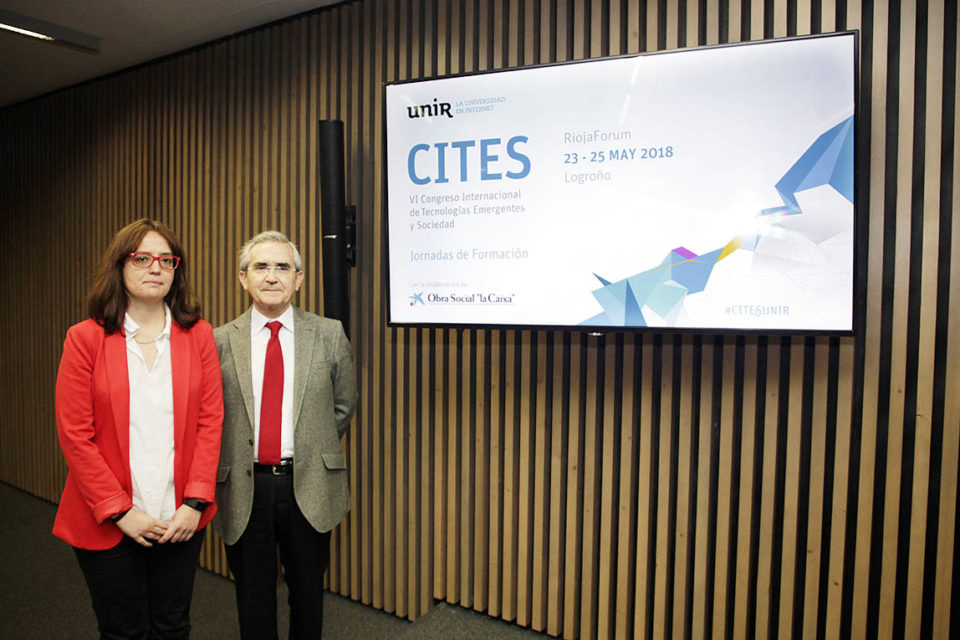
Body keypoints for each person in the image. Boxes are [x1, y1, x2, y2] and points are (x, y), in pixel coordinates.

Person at [54, 219, 224, 639]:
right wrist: (119, 510)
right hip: (110, 520)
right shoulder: (85, 339)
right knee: (122, 630)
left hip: (179, 517)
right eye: (142, 258)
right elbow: (76, 434)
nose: (156, 268)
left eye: (167, 260)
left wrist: (196, 501)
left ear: (176, 271)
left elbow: (210, 421)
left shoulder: (198, 335)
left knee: (172, 625)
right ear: (120, 266)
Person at [214, 230, 357, 639]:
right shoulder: (220, 340)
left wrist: (311, 444)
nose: (272, 275)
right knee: (253, 600)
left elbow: (344, 405)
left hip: (309, 483)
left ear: (299, 278)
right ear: (243, 278)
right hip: (245, 489)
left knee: (308, 598)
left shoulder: (329, 334)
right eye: (261, 266)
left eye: (282, 266)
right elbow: (212, 415)